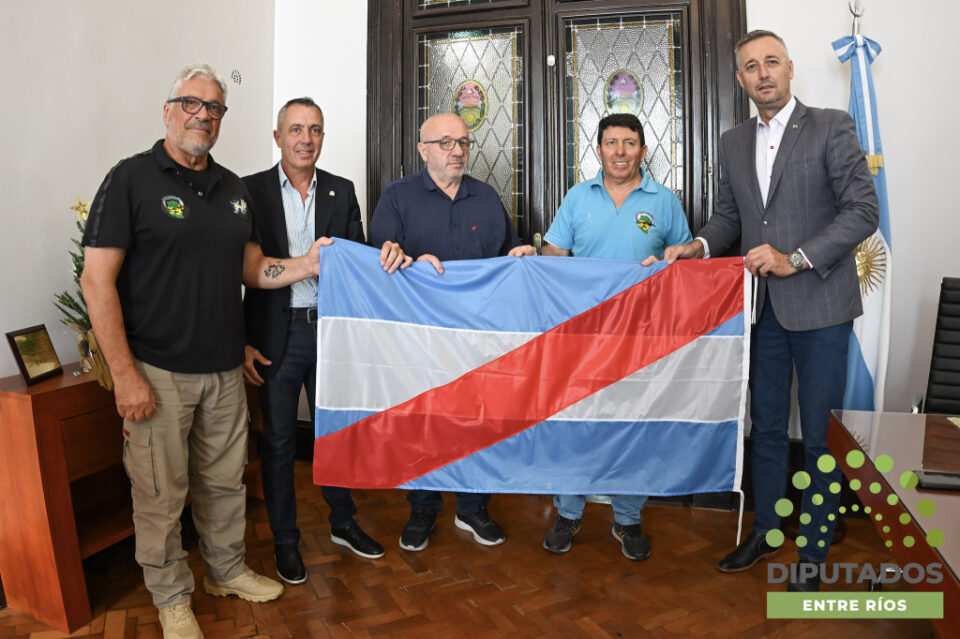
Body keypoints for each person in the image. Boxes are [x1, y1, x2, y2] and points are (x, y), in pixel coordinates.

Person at [80, 65, 390, 639]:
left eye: (215, 108)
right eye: (192, 104)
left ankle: (224, 571)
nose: (203, 115)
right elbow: (96, 281)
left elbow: (250, 265)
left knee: (225, 482)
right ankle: (173, 598)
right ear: (169, 109)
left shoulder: (230, 189)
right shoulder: (131, 179)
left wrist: (307, 264)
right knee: (160, 492)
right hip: (158, 369)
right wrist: (124, 375)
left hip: (223, 368)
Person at [662, 30, 879, 592]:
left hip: (823, 306)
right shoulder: (733, 141)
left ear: (789, 68)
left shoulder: (831, 125)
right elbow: (729, 218)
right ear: (740, 80)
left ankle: (814, 548)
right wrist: (699, 247)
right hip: (759, 314)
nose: (763, 74)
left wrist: (796, 259)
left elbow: (862, 212)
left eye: (772, 63)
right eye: (751, 66)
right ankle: (766, 531)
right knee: (763, 428)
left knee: (819, 434)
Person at [242, 98, 401, 584]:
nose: (305, 139)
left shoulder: (341, 190)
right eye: (295, 130)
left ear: (323, 137)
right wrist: (243, 341)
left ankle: (343, 522)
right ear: (277, 137)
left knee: (336, 434)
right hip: (276, 334)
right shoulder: (249, 192)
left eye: (314, 130)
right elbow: (240, 270)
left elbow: (359, 261)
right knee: (280, 443)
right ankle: (286, 543)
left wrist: (391, 252)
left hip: (332, 333)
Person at [369, 112, 534, 552]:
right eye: (445, 143)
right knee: (423, 423)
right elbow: (380, 262)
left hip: (480, 338)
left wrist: (522, 255)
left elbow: (506, 253)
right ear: (423, 150)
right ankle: (423, 508)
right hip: (420, 341)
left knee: (479, 422)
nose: (457, 150)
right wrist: (409, 263)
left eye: (463, 142)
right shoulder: (397, 197)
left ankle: (473, 506)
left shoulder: (487, 197)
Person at [539, 112, 693, 561]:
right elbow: (555, 255)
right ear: (599, 149)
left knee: (633, 427)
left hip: (641, 340)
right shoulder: (577, 196)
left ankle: (627, 519)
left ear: (643, 150)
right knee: (577, 426)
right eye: (611, 143)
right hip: (584, 338)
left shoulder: (664, 201)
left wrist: (675, 262)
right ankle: (568, 514)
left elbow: (682, 263)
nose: (620, 151)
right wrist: (534, 258)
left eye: (629, 143)